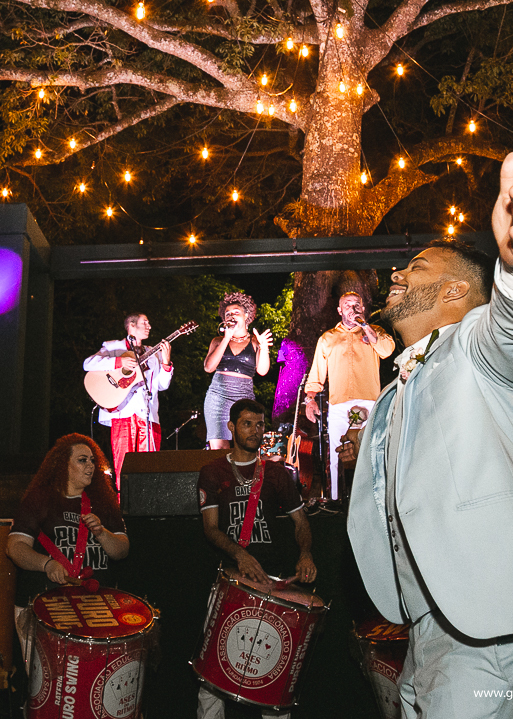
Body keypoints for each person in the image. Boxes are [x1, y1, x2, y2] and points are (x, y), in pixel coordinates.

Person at [346, 152, 513, 719]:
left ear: (457, 292)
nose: (398, 274)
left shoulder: (476, 346)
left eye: (419, 267)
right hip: (435, 623)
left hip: (498, 618)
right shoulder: (395, 387)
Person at [195, 398, 316, 719]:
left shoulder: (277, 474)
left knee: (273, 672)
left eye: (260, 424)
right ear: (232, 427)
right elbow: (210, 529)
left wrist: (305, 553)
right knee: (213, 671)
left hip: (271, 584)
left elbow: (302, 523)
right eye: (247, 423)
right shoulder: (212, 471)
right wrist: (239, 555)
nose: (255, 430)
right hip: (229, 580)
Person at [6, 434, 129, 661]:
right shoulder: (39, 499)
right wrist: (46, 563)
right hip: (46, 607)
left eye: (93, 460)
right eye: (82, 460)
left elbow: (121, 550)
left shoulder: (103, 503)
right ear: (63, 465)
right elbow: (15, 547)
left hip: (94, 611)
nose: (90, 466)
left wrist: (102, 533)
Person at [303, 292, 394, 502]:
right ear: (339, 310)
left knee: (369, 451)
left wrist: (365, 326)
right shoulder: (328, 337)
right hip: (339, 404)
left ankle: (374, 500)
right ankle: (336, 500)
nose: (352, 309)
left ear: (362, 308)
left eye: (356, 305)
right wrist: (310, 399)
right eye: (347, 305)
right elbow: (317, 373)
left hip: (369, 402)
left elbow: (386, 350)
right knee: (336, 453)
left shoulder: (374, 332)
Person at [83, 313, 172, 489]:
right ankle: (123, 508)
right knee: (124, 466)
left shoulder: (152, 353)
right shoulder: (113, 347)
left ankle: (148, 505)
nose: (149, 326)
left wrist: (166, 362)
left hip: (148, 416)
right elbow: (88, 364)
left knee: (149, 467)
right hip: (123, 413)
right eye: (144, 322)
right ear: (131, 326)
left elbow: (162, 385)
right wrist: (119, 361)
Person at [203, 293, 272, 450]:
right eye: (228, 314)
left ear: (246, 316)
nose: (231, 316)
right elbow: (208, 367)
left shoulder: (255, 342)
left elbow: (262, 371)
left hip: (244, 397)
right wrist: (227, 337)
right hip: (217, 398)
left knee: (246, 447)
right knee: (220, 451)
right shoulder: (218, 341)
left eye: (236, 312)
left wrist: (264, 347)